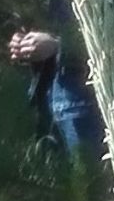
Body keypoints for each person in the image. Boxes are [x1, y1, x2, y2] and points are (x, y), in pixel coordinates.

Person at [8, 11, 102, 161]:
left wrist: (57, 46)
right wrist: (27, 45)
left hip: (86, 110)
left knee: (92, 179)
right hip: (48, 108)